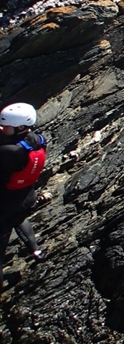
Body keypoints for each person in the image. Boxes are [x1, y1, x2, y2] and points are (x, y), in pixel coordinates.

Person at [0, 103, 47, 289]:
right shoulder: (38, 140)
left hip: (5, 203)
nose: (3, 129)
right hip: (27, 196)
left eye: (5, 126)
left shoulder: (9, 151)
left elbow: (7, 154)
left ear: (20, 127)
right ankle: (36, 251)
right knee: (19, 218)